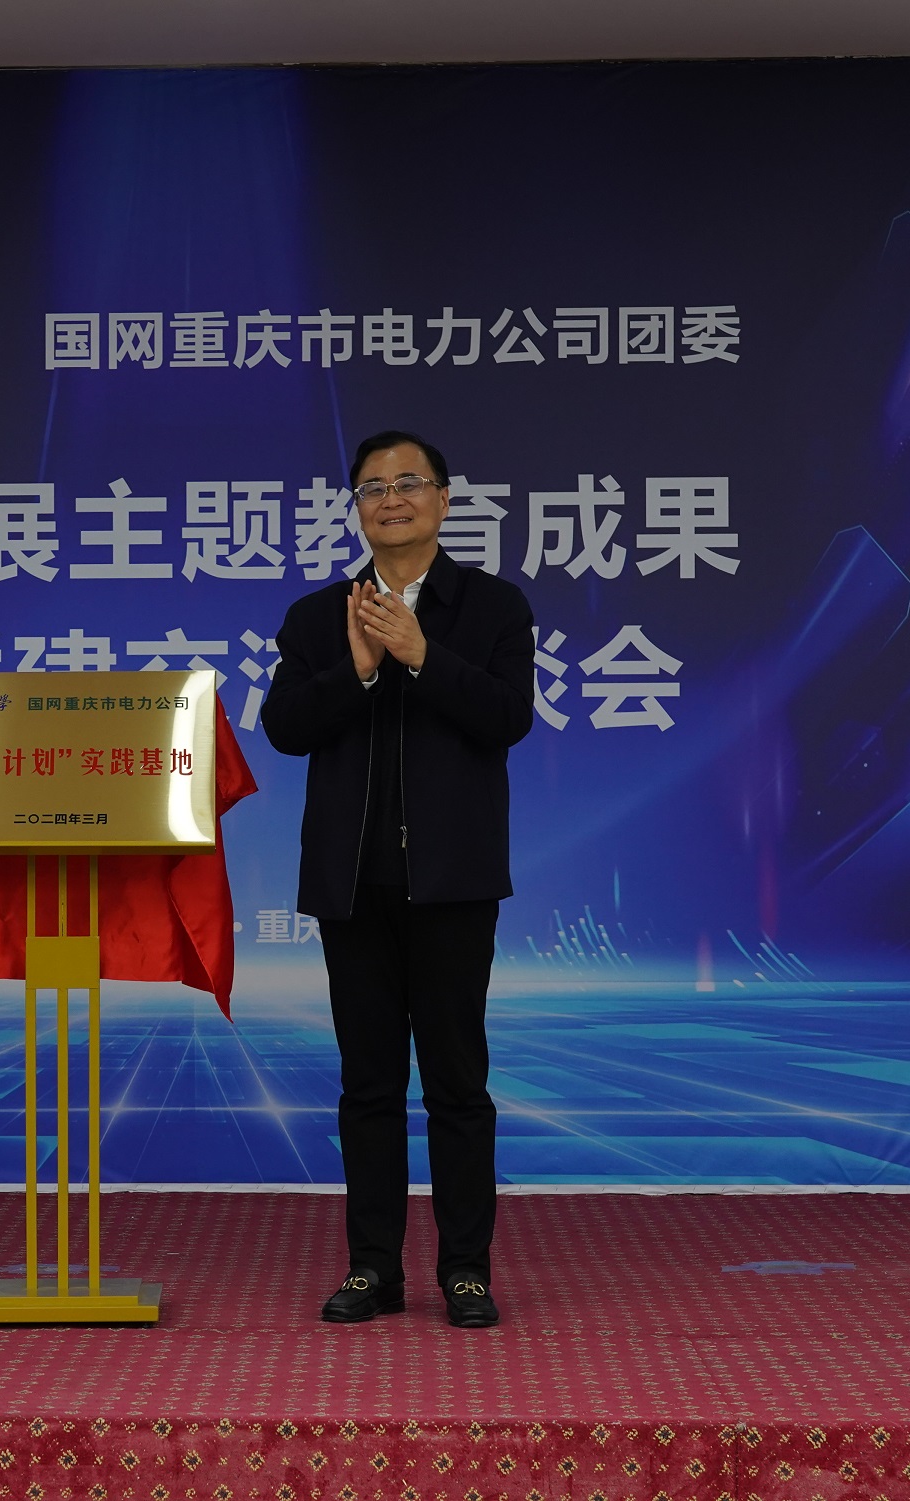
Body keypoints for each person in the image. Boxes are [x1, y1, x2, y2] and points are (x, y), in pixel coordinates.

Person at [260, 429, 534, 1329]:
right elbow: (285, 728)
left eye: (409, 483)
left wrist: (421, 653)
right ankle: (373, 1266)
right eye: (373, 487)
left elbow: (508, 717)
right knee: (368, 1086)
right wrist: (358, 669)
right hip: (354, 886)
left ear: (444, 500)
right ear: (356, 508)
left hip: (453, 883)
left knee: (457, 1085)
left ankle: (466, 1269)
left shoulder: (492, 607)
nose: (391, 499)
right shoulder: (318, 616)